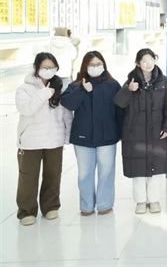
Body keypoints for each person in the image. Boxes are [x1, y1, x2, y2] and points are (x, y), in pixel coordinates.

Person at [114, 49, 167, 214]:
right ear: (138, 63)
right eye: (144, 60)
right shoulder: (131, 81)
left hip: (157, 133)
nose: (148, 64)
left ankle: (154, 200)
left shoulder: (163, 82)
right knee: (138, 169)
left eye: (151, 59)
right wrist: (128, 89)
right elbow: (119, 103)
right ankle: (141, 201)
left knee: (156, 169)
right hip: (135, 133)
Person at [15, 52, 72, 226]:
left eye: (52, 67)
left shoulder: (60, 87)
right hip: (30, 141)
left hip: (54, 140)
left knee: (53, 175)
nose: (49, 70)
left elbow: (66, 114)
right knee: (28, 177)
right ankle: (26, 211)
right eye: (45, 67)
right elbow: (26, 109)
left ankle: (50, 206)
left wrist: (67, 136)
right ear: (36, 68)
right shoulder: (24, 88)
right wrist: (45, 93)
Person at [61, 51, 122, 216]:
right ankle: (86, 206)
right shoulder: (76, 85)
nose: (95, 67)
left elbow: (120, 110)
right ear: (85, 66)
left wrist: (121, 133)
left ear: (104, 65)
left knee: (106, 172)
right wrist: (82, 89)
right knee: (85, 173)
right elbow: (68, 103)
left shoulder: (113, 84)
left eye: (98, 64)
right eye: (92, 65)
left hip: (107, 136)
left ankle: (104, 204)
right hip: (83, 137)